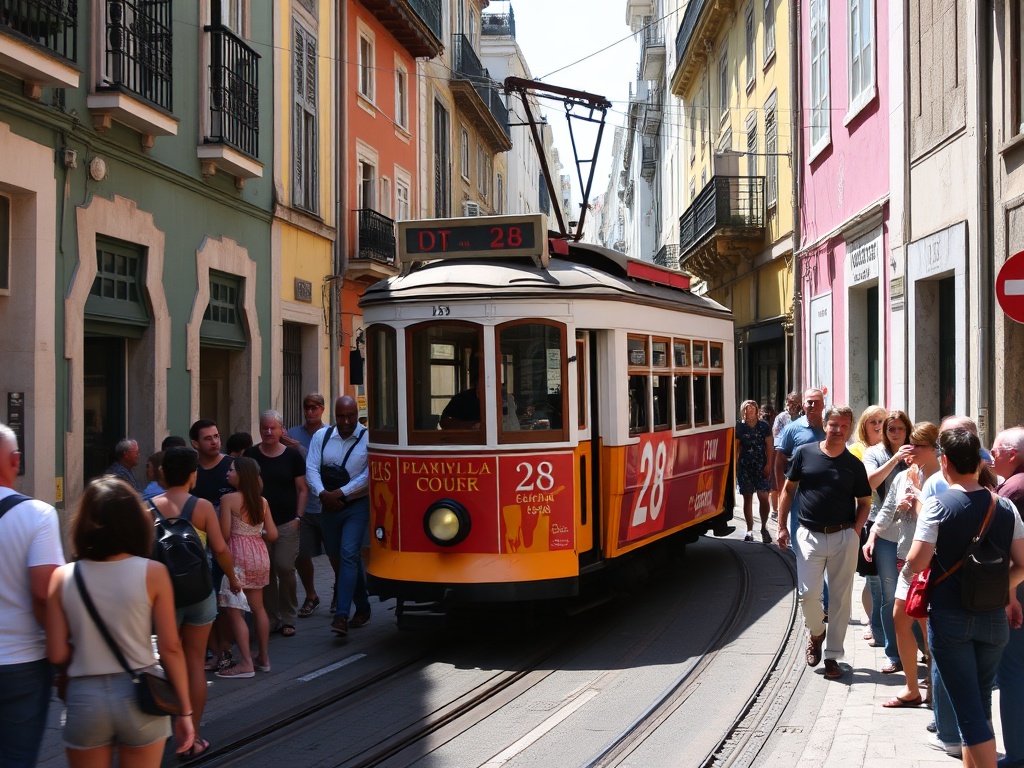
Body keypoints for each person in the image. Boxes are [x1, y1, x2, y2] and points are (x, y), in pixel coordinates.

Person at [45, 477, 194, 766]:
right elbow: (171, 648)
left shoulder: (62, 578)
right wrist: (184, 711)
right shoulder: (153, 573)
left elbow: (56, 653)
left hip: (85, 697)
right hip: (139, 694)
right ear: (135, 522)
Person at [908, 427, 1024, 768]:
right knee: (980, 701)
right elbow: (1022, 564)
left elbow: (916, 562)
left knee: (969, 712)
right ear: (979, 461)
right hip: (992, 618)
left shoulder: (937, 506)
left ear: (944, 462)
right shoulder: (1004, 506)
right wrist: (1003, 589)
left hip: (950, 617)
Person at [151, 447, 241, 759]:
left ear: (162, 474)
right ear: (194, 474)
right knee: (194, 664)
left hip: (164, 597)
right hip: (200, 593)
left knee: (166, 662)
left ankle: (171, 726)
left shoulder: (147, 507)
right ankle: (193, 735)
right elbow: (220, 549)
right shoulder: (201, 507)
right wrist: (235, 578)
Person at [776, 404, 871, 680]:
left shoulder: (854, 464)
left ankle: (832, 657)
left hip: (844, 536)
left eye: (844, 426)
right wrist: (782, 526)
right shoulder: (805, 453)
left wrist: (856, 529)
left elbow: (864, 501)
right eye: (834, 425)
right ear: (825, 425)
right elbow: (788, 489)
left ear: (850, 428)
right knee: (807, 594)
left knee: (841, 600)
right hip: (809, 535)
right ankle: (816, 632)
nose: (839, 430)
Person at [0, 423, 65, 767]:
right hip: (21, 660)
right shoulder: (37, 515)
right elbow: (45, 592)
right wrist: (61, 652)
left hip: (22, 661)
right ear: (16, 460)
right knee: (16, 758)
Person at [865, 421, 940, 709]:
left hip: (932, 562)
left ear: (933, 449)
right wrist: (873, 535)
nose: (909, 448)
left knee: (927, 627)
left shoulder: (943, 479)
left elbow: (939, 522)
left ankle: (933, 685)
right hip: (907, 559)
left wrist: (919, 499)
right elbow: (888, 509)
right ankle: (912, 688)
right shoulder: (905, 475)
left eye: (916, 444)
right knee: (901, 618)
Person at [306, 396, 371, 636]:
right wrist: (323, 493)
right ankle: (363, 606)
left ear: (357, 413)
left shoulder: (368, 438)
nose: (345, 421)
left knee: (348, 554)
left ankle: (342, 615)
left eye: (350, 416)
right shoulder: (321, 437)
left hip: (355, 506)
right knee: (340, 559)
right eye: (341, 416)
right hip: (328, 507)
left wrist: (341, 493)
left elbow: (368, 474)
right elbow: (311, 467)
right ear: (334, 414)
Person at [244, 410, 308, 638]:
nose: (269, 432)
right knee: (266, 571)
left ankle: (289, 616)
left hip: (286, 523)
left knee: (284, 567)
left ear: (282, 430)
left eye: (273, 428)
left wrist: (298, 517)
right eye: (265, 428)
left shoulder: (292, 456)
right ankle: (272, 618)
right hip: (258, 524)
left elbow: (302, 489)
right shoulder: (251, 455)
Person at [862, 410, 914, 672]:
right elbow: (870, 482)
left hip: (912, 534)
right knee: (889, 594)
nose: (895, 433)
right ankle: (893, 653)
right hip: (883, 532)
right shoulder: (875, 453)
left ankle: (915, 648)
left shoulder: (918, 453)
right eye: (890, 429)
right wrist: (895, 459)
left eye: (900, 429)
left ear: (907, 430)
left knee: (914, 592)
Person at [217, 457, 277, 678]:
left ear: (242, 475)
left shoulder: (228, 500)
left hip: (237, 558)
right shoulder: (261, 501)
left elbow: (223, 535)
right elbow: (272, 534)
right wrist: (255, 533)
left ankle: (245, 664)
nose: (228, 474)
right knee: (259, 608)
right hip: (259, 556)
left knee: (235, 611)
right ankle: (264, 657)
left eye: (231, 470)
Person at [285, 394, 337, 617]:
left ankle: (339, 592)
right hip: (302, 506)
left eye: (315, 407)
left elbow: (322, 466)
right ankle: (311, 595)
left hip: (327, 504)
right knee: (301, 554)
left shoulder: (331, 435)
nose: (311, 411)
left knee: (335, 553)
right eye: (307, 407)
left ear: (322, 409)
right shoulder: (292, 433)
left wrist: (299, 449)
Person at [992, 426, 1024, 768]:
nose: (990, 453)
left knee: (1013, 672)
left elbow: (1011, 554)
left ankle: (1017, 754)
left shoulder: (1014, 489)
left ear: (1012, 454)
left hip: (1019, 589)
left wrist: (1009, 594)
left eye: (996, 449)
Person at [848, 405, 887, 648]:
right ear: (864, 425)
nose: (878, 426)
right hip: (865, 518)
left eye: (882, 421)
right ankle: (873, 621)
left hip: (889, 519)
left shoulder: (892, 449)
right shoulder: (857, 451)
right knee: (871, 578)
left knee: (885, 579)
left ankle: (879, 624)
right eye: (873, 421)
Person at [774, 388, 827, 556]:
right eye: (808, 402)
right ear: (803, 404)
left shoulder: (830, 428)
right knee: (799, 540)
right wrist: (781, 490)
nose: (812, 405)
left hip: (826, 492)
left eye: (816, 402)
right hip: (798, 492)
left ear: (823, 404)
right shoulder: (792, 429)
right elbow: (779, 460)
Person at [735, 399, 773, 543]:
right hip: (745, 466)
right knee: (747, 497)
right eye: (745, 410)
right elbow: (737, 447)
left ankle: (764, 526)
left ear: (757, 412)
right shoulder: (739, 427)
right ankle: (749, 529)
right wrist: (736, 466)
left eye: (751, 410)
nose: (748, 412)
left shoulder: (763, 426)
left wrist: (769, 464)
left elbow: (769, 446)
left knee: (763, 496)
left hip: (761, 465)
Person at [189, 420, 234, 510]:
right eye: (207, 438)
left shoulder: (234, 466)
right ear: (195, 444)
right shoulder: (189, 470)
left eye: (216, 436)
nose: (214, 442)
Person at [770, 392, 801, 520]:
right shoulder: (781, 418)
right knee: (781, 486)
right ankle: (779, 511)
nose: (793, 405)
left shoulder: (804, 417)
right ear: (787, 403)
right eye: (791, 402)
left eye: (796, 402)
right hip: (783, 455)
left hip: (799, 456)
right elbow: (776, 436)